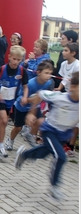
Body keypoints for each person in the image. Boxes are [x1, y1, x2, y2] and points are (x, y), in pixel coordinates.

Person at [15, 71, 79, 200]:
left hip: (64, 134)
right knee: (60, 157)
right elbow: (39, 95)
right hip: (50, 130)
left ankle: (24, 154)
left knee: (44, 153)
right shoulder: (60, 97)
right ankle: (54, 187)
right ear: (72, 87)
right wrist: (32, 113)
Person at [5, 61, 55, 151]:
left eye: (50, 74)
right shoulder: (30, 84)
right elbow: (22, 99)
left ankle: (30, 134)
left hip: (35, 106)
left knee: (41, 121)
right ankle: (10, 140)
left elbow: (42, 96)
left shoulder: (48, 83)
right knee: (18, 127)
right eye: (46, 73)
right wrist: (35, 98)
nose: (49, 76)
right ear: (38, 72)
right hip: (21, 107)